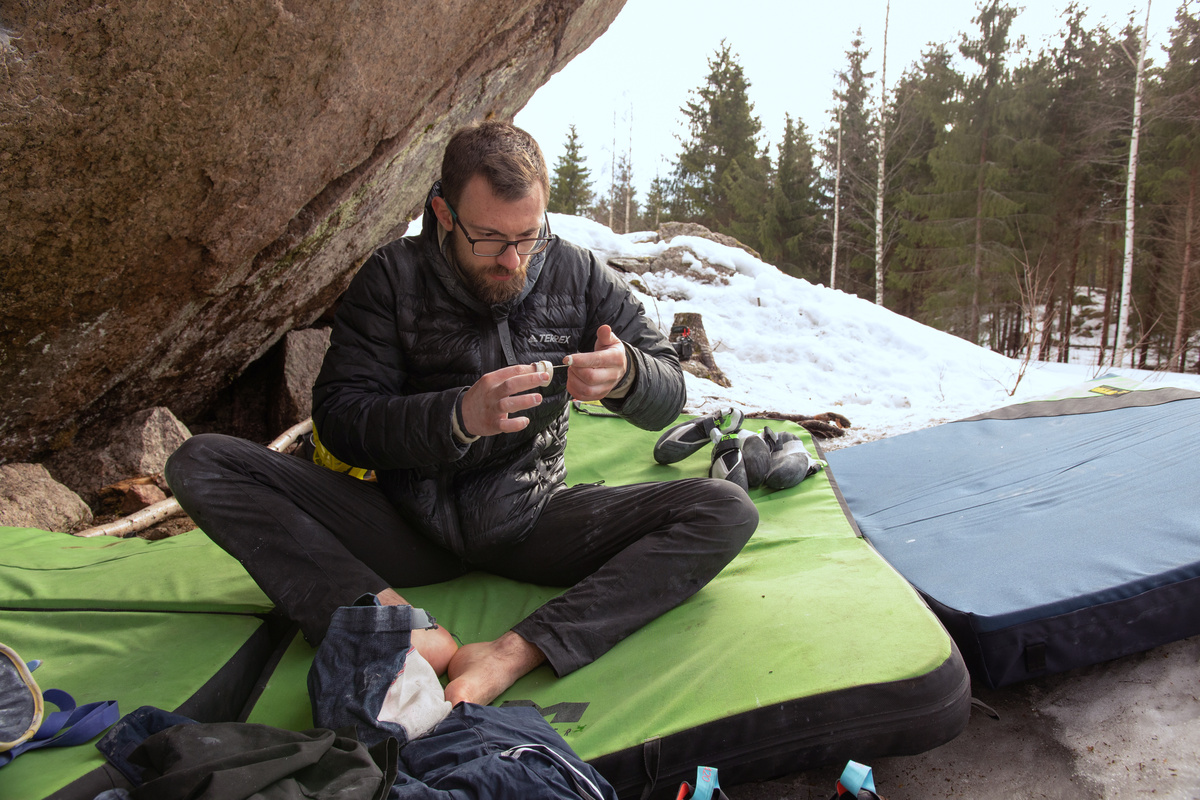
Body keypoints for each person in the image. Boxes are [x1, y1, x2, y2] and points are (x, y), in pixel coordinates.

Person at [166, 121, 758, 707]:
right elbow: (341, 420)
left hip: (531, 516)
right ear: (444, 214)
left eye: (528, 236)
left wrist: (628, 374)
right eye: (489, 238)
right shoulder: (391, 278)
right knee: (204, 463)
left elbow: (670, 388)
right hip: (404, 523)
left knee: (726, 509)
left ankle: (514, 651)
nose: (512, 260)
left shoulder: (575, 272)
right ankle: (389, 620)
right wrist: (456, 417)